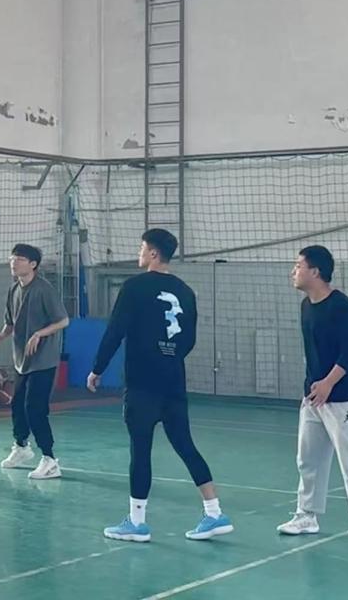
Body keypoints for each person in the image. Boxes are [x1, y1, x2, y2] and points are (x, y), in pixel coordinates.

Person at [87, 229, 232, 542]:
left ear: (153, 253)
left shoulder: (134, 287)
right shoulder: (185, 291)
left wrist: (97, 368)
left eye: (142, 248)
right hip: (173, 381)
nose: (139, 253)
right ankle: (214, 512)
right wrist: (169, 357)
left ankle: (137, 522)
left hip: (142, 382)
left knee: (140, 450)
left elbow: (115, 331)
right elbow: (188, 340)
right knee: (185, 444)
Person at [277, 245, 348, 550]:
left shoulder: (342, 307)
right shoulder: (306, 306)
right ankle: (307, 516)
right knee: (308, 459)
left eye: (298, 266)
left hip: (345, 398)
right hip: (314, 399)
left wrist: (328, 383)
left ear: (315, 271)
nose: (293, 271)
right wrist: (313, 389)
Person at [0, 243, 69, 479]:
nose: (13, 262)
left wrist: (39, 334)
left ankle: (50, 459)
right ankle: (21, 447)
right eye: (12, 258)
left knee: (35, 408)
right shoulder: (14, 289)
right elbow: (11, 321)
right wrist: (2, 334)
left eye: (19, 259)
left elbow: (63, 321)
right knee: (17, 405)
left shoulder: (44, 289)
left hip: (43, 360)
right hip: (21, 359)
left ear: (33, 264)